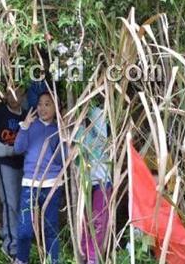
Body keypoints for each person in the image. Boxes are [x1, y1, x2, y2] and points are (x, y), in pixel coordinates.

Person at [13, 92, 65, 264]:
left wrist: (64, 137)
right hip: (30, 183)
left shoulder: (59, 129)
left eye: (48, 104)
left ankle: (53, 260)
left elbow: (61, 159)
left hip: (52, 185)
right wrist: (25, 127)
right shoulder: (30, 126)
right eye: (40, 104)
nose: (42, 108)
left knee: (50, 228)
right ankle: (21, 259)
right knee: (25, 229)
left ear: (55, 107)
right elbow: (18, 149)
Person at [0, 86, 26, 259]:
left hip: (23, 164)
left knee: (20, 203)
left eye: (18, 93)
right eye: (9, 93)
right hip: (5, 163)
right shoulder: (0, 113)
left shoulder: (27, 114)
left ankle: (9, 232)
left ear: (24, 95)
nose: (13, 97)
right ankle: (11, 245)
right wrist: (8, 151)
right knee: (10, 202)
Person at [76, 106, 112, 264]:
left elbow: (99, 139)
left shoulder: (97, 118)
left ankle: (92, 258)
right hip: (86, 183)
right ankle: (85, 254)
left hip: (102, 182)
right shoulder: (80, 126)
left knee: (97, 222)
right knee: (84, 220)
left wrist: (88, 108)